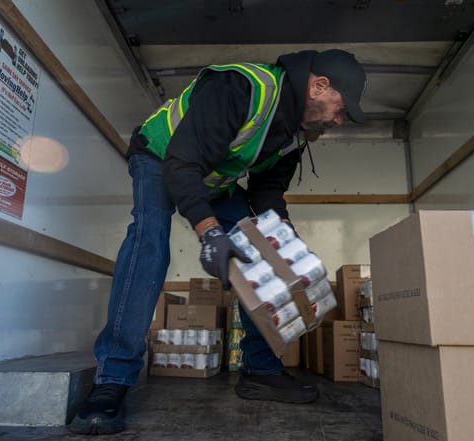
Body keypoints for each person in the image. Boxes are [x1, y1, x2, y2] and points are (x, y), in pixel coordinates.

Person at [68, 49, 366, 435]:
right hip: (160, 157)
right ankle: (112, 380)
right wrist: (209, 231)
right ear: (318, 86)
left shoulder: (296, 135)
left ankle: (259, 369)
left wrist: (284, 239)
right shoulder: (240, 86)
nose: (339, 120)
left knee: (262, 251)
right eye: (341, 109)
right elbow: (182, 162)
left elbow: (267, 192)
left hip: (211, 179)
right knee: (149, 243)